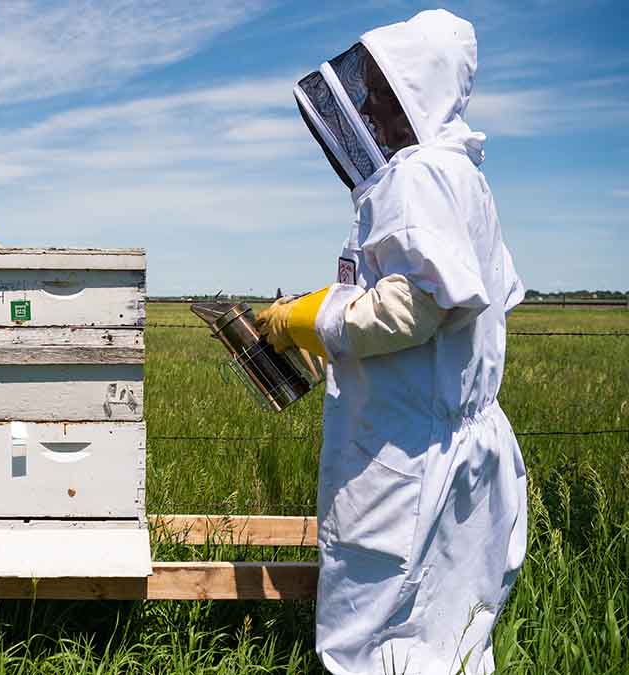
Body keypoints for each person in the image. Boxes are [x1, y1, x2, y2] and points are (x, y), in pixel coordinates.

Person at [256, 10, 527, 674]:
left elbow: (419, 302)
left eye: (382, 88)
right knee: (441, 635)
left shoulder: (423, 174)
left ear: (420, 88)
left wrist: (306, 320)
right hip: (436, 441)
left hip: (413, 452)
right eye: (368, 87)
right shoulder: (454, 174)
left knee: (381, 638)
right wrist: (323, 328)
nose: (370, 104)